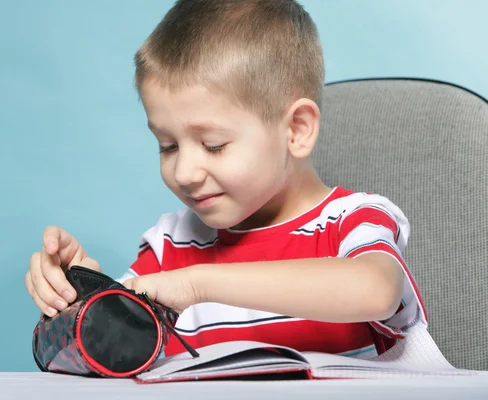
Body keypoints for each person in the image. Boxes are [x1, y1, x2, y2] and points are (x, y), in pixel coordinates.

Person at [25, 0, 427, 360]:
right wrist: (85, 295)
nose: (183, 173)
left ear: (297, 130)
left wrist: (199, 284)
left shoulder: (353, 221)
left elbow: (376, 291)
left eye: (213, 145)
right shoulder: (171, 245)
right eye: (167, 146)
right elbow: (116, 347)